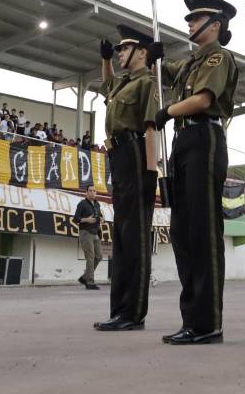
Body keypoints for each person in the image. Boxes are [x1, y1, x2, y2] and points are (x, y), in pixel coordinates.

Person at [149, 0, 241, 346]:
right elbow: (163, 71)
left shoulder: (218, 58)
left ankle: (207, 323)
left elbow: (203, 100)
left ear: (214, 25)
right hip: (183, 141)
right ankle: (193, 320)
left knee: (202, 232)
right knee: (183, 232)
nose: (188, 23)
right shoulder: (190, 62)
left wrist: (167, 112)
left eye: (195, 18)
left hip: (204, 138)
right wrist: (155, 56)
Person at [92, 25, 160, 331]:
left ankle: (133, 313)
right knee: (120, 234)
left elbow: (150, 127)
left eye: (124, 49)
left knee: (134, 235)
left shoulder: (147, 82)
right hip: (117, 155)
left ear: (142, 52)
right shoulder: (123, 83)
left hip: (134, 153)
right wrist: (105, 61)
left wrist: (151, 170)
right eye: (117, 49)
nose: (119, 53)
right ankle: (119, 309)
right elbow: (108, 90)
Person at [73, 186, 103, 290]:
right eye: (90, 191)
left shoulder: (97, 204)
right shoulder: (82, 204)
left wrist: (101, 219)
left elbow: (99, 216)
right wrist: (86, 220)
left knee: (99, 256)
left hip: (95, 233)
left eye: (94, 191)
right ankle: (90, 282)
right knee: (90, 257)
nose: (92, 192)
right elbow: (75, 219)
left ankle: (85, 277)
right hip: (85, 233)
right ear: (86, 193)